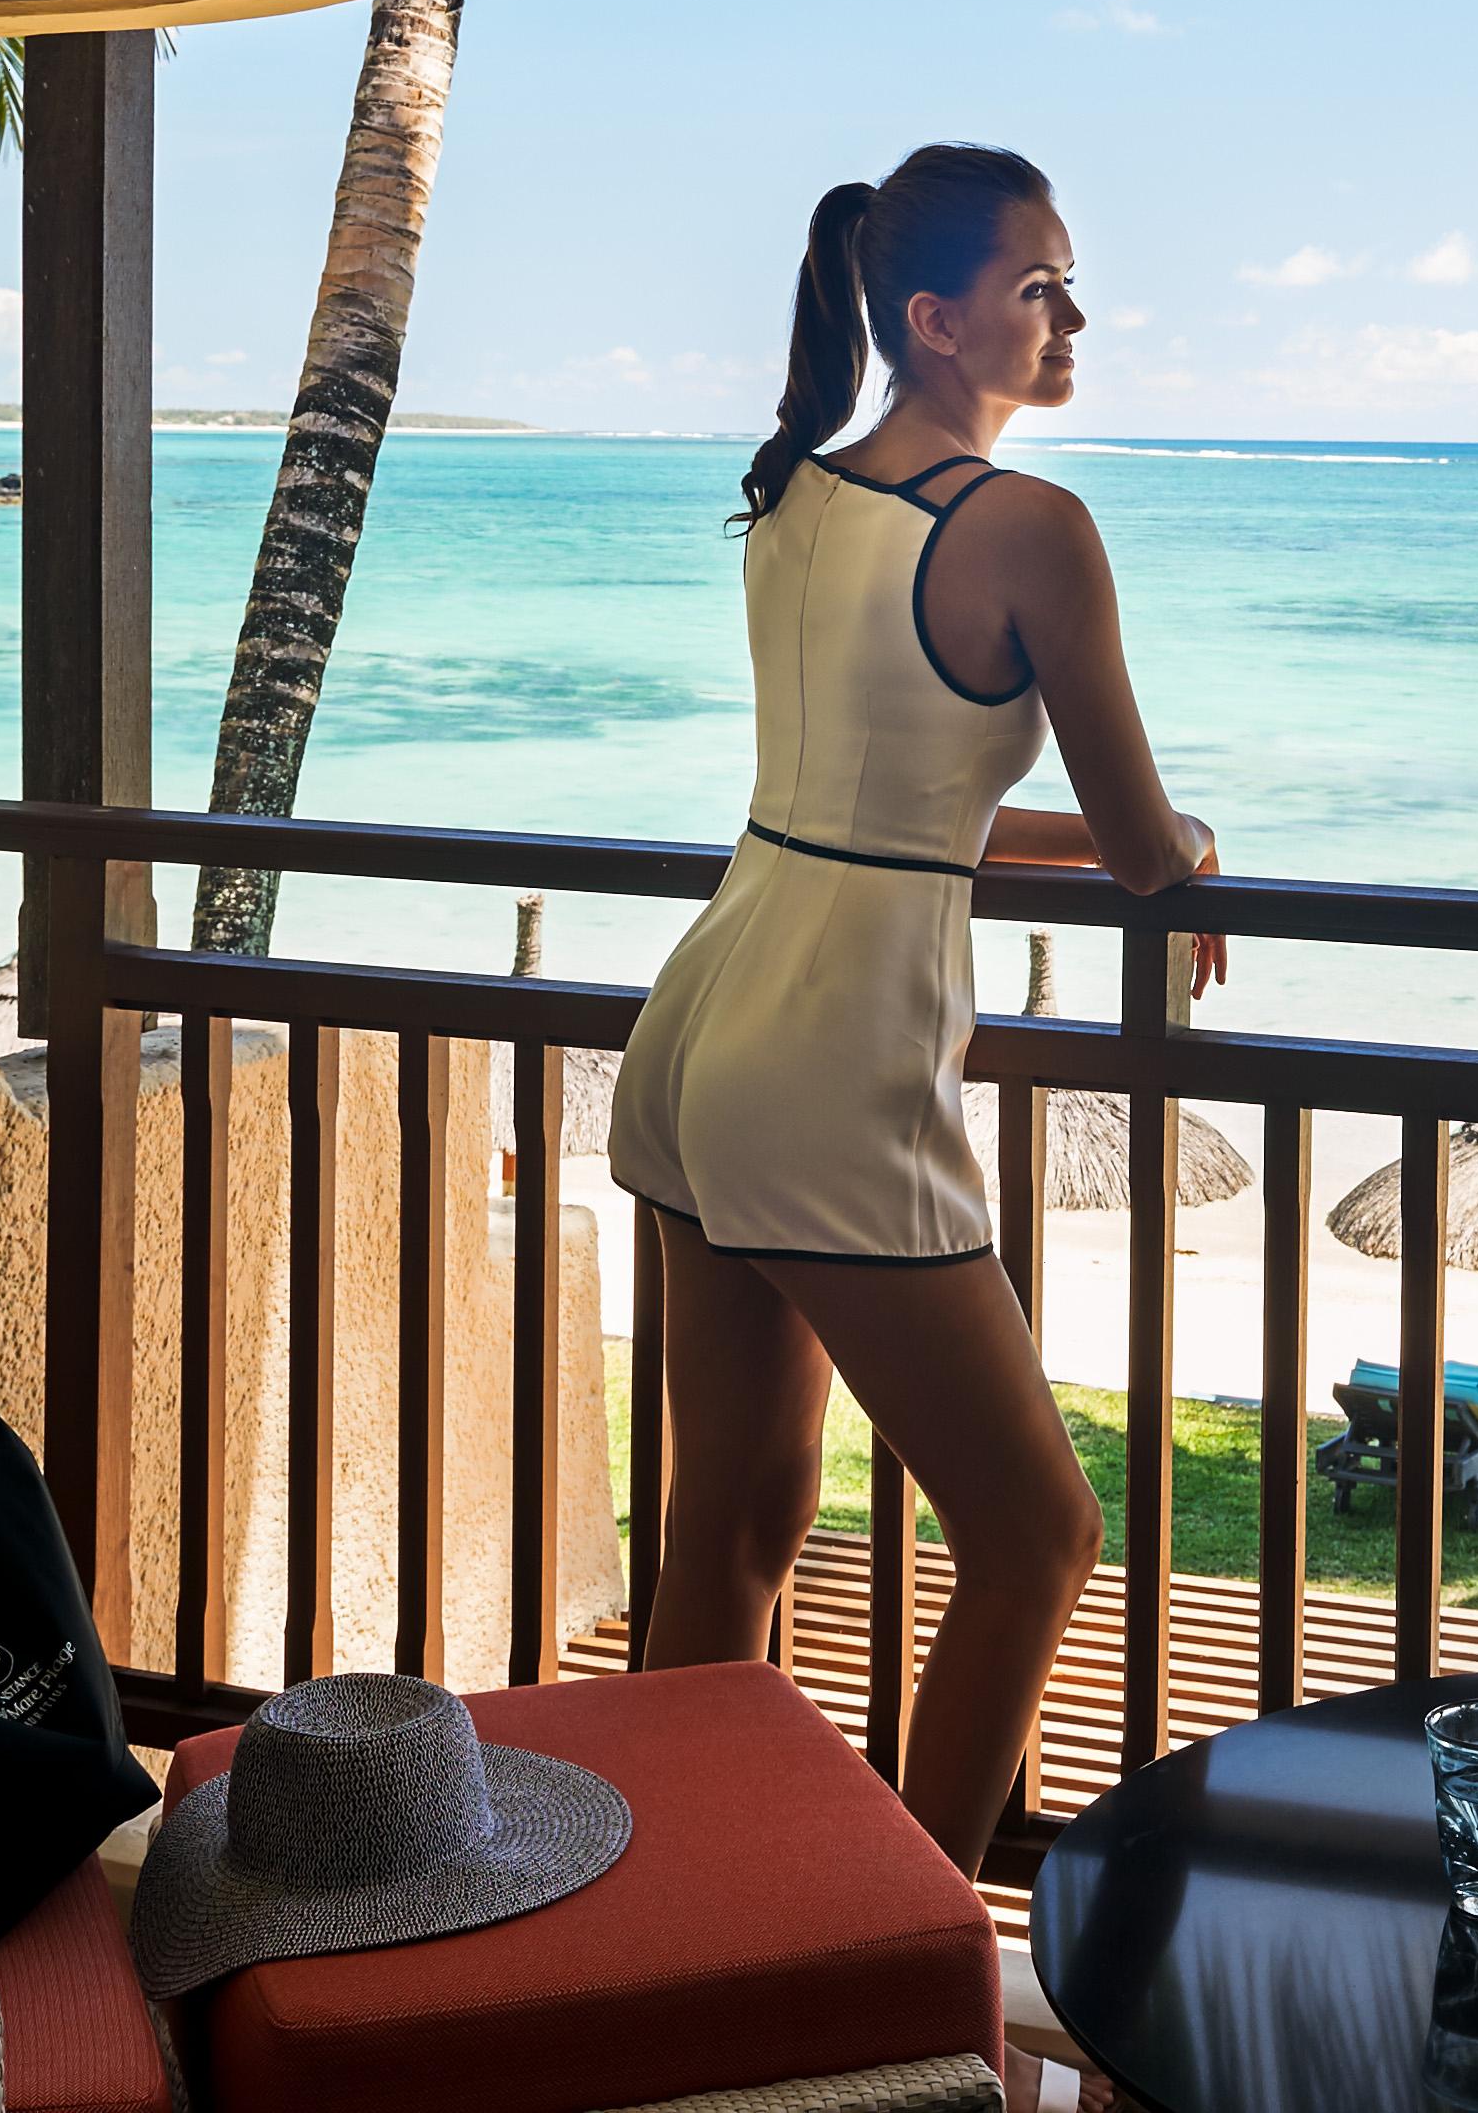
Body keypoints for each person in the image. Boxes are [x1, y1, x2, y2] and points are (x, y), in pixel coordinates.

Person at [605, 143, 1225, 1871]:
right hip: (836, 1055)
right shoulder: (1026, 530)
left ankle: (679, 1911)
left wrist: (1133, 837)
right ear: (939, 321)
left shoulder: (798, 492)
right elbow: (1134, 844)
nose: (1074, 316)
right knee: (1036, 1539)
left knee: (731, 1520)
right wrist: (1187, 843)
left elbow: (893, 795)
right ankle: (916, 1926)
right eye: (1042, 288)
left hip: (712, 1009)